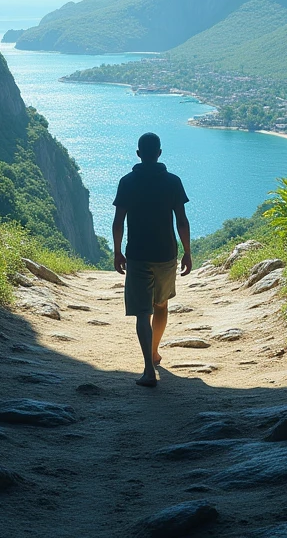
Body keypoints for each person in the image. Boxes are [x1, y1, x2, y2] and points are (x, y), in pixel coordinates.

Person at [112, 132, 192, 387]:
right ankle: (155, 351)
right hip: (166, 254)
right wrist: (187, 252)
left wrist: (117, 251)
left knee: (141, 314)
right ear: (159, 153)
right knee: (161, 306)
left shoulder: (127, 182)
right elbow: (181, 220)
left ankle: (148, 369)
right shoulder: (173, 182)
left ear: (138, 154)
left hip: (137, 254)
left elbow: (118, 221)